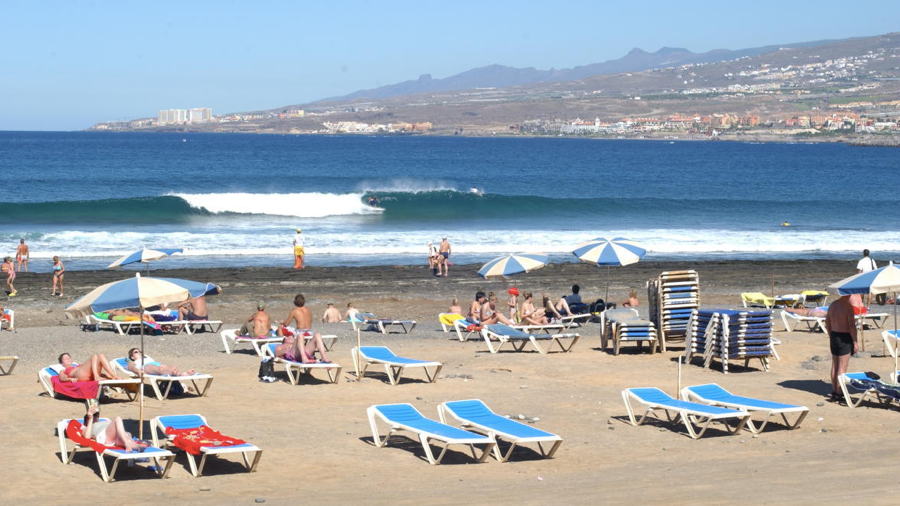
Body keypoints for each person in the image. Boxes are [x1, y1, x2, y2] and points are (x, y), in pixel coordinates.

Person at [274, 294, 331, 363]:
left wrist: (282, 323)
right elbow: (310, 321)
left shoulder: (294, 311)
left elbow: (287, 324)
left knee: (282, 328)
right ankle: (323, 356)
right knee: (317, 334)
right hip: (309, 332)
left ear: (295, 302)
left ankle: (282, 340)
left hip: (300, 333)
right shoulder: (308, 309)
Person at [825, 294, 858, 402]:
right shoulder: (848, 307)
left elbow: (827, 323)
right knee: (842, 366)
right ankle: (839, 392)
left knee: (835, 365)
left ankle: (834, 391)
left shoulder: (833, 305)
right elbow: (851, 326)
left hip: (834, 335)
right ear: (848, 295)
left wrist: (831, 335)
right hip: (845, 336)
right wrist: (855, 341)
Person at [81, 402, 148, 452]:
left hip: (114, 437)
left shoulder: (104, 421)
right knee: (117, 419)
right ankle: (127, 444)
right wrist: (90, 418)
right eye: (94, 416)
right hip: (105, 436)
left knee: (128, 437)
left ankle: (138, 447)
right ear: (86, 421)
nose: (95, 417)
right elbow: (87, 437)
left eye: (96, 416)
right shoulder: (87, 427)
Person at [126, 348, 195, 376]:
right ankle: (178, 374)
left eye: (140, 351)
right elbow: (131, 367)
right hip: (145, 366)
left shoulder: (146, 357)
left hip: (155, 363)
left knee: (171, 367)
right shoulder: (135, 362)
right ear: (132, 357)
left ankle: (181, 374)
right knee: (161, 368)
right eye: (136, 352)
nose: (139, 353)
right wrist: (138, 371)